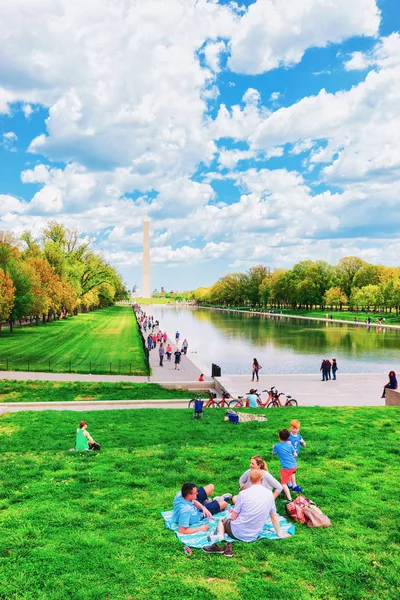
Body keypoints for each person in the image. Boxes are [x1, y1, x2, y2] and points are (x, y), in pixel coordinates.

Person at [203, 470, 291, 555]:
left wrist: (230, 517)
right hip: (254, 535)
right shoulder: (269, 494)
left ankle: (219, 537)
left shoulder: (243, 494)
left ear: (249, 480)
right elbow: (273, 516)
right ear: (262, 480)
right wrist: (279, 532)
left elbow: (233, 516)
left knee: (222, 521)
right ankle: (222, 536)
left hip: (236, 533)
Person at [272, 428, 298, 501]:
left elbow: (273, 453)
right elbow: (295, 455)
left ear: (278, 436)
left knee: (283, 483)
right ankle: (289, 485)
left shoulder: (277, 446)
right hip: (294, 465)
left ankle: (289, 498)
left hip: (288, 468)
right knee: (282, 472)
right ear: (288, 437)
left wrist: (273, 447)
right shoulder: (289, 445)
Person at [288, 420, 306, 492]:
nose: (295, 430)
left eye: (296, 428)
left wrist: (302, 442)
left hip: (295, 457)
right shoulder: (288, 436)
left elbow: (304, 445)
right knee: (292, 470)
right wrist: (292, 452)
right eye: (293, 428)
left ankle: (289, 484)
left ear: (299, 429)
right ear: (290, 428)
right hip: (289, 456)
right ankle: (294, 486)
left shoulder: (299, 437)